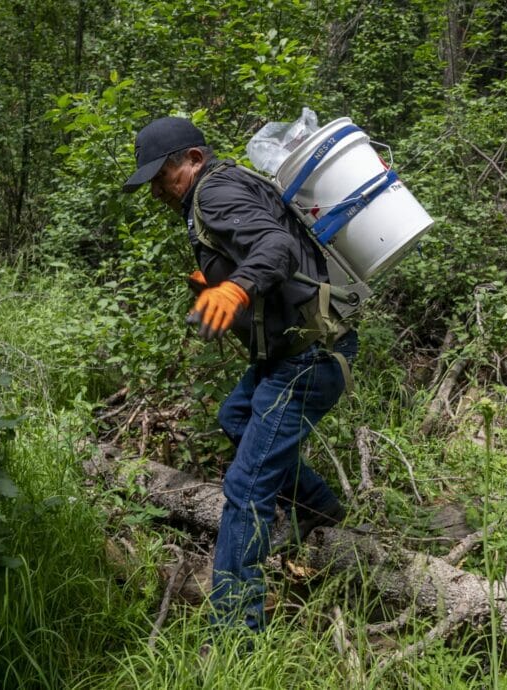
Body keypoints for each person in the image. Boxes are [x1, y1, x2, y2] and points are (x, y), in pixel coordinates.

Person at [122, 116, 358, 633]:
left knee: (246, 490)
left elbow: (275, 248)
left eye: (164, 174)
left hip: (307, 356)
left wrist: (237, 287)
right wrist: (217, 279)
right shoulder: (224, 188)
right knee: (236, 415)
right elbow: (258, 247)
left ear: (194, 159)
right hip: (295, 350)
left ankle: (233, 635)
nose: (159, 188)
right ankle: (316, 507)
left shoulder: (216, 191)